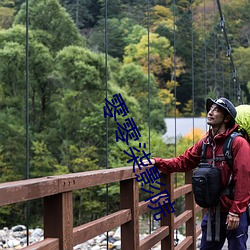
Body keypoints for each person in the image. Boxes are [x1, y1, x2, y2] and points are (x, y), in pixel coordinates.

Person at [142, 97, 250, 250]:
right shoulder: (205, 143)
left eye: (216, 110)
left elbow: (244, 179)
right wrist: (157, 162)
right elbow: (183, 161)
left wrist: (236, 212)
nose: (210, 112)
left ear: (226, 118)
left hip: (233, 212)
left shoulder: (239, 144)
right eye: (210, 109)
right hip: (213, 211)